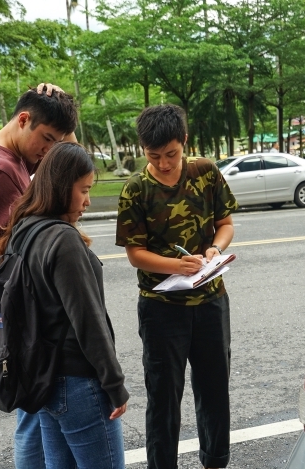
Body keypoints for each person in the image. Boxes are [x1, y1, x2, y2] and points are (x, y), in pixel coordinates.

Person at [115, 104, 238, 469]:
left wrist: (217, 247)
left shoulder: (205, 172)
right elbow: (136, 254)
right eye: (154, 156)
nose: (164, 163)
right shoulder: (136, 189)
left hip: (210, 300)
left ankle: (216, 460)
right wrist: (176, 265)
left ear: (184, 141)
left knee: (214, 390)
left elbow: (226, 223)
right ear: (142, 149)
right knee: (164, 396)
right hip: (161, 308)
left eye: (172, 154)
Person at [0, 142, 128, 468]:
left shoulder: (23, 230)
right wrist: (115, 384)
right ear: (60, 186)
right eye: (83, 190)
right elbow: (88, 320)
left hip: (44, 380)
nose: (88, 200)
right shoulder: (62, 239)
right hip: (79, 382)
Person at [0, 84, 78, 468]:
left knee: (35, 412)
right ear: (23, 119)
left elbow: (69, 158)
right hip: (20, 308)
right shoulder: (0, 168)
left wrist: (64, 117)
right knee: (33, 412)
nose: (48, 149)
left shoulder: (9, 151)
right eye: (46, 138)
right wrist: (42, 242)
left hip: (18, 305)